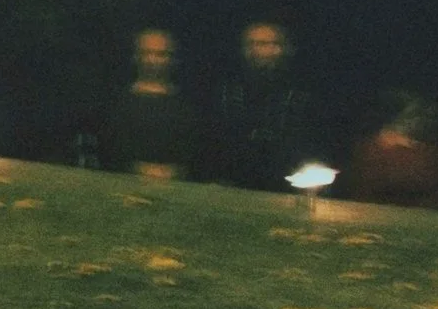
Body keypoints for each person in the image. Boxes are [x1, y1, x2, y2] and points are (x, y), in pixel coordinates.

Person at [210, 19, 322, 191]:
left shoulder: (303, 96)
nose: (255, 50)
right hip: (232, 187)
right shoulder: (226, 93)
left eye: (263, 44)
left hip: (287, 189)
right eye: (250, 44)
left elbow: (310, 147)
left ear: (283, 48)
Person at [344, 88, 438, 211]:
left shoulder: (432, 150)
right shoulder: (370, 149)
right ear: (395, 117)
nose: (424, 119)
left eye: (425, 114)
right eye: (416, 114)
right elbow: (360, 192)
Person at [104, 29, 198, 180]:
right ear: (136, 56)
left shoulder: (186, 107)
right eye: (147, 53)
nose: (152, 60)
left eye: (160, 54)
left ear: (172, 59)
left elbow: (193, 153)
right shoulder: (117, 102)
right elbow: (109, 148)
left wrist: (172, 172)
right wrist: (138, 169)